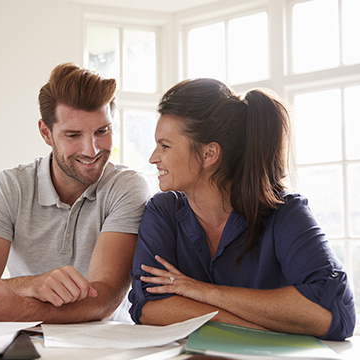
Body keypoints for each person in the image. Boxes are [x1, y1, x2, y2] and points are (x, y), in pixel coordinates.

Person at [129, 78, 356, 340]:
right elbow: (149, 308)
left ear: (208, 154)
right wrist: (260, 327)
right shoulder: (163, 212)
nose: (153, 158)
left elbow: (332, 314)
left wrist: (204, 292)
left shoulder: (285, 212)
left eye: (164, 145)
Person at [0, 62, 152, 323]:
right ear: (46, 133)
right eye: (73, 135)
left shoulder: (126, 187)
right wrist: (32, 285)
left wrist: (17, 307)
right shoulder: (11, 188)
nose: (91, 149)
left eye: (102, 131)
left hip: (104, 347)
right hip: (24, 343)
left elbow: (103, 301)